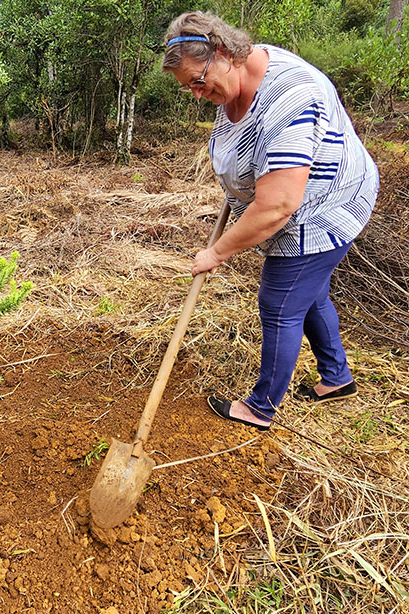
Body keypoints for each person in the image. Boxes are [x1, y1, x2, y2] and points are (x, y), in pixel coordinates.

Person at [161, 12, 378, 430]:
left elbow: (278, 206)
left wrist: (217, 252)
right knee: (308, 294)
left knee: (280, 303)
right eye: (187, 86)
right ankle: (337, 379)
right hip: (294, 204)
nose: (195, 93)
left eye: (197, 81)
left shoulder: (291, 97)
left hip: (326, 208)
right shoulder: (235, 79)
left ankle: (260, 408)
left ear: (223, 52)